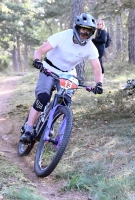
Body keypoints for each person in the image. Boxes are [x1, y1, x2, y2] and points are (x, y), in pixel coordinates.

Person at [20, 13, 103, 144]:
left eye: (88, 32)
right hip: (49, 69)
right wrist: (37, 60)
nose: (84, 34)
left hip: (68, 74)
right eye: (82, 29)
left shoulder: (90, 47)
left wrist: (99, 83)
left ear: (92, 33)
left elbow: (97, 68)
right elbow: (40, 51)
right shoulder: (62, 36)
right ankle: (28, 129)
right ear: (77, 28)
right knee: (43, 98)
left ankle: (49, 124)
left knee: (65, 102)